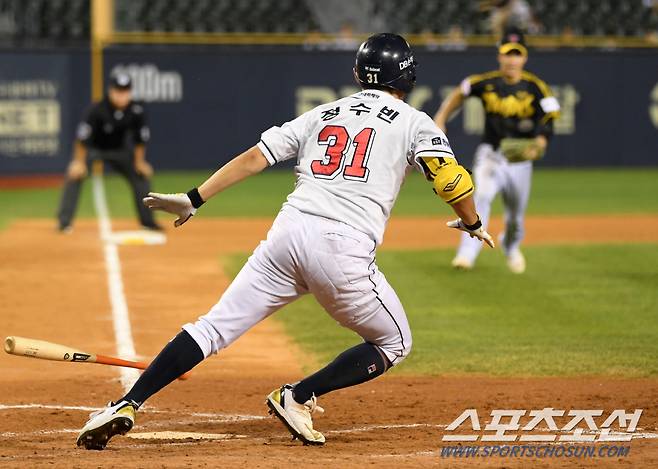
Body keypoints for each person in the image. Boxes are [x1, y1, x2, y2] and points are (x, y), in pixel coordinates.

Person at [76, 33, 494, 450]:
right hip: (342, 247)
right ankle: (298, 396)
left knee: (212, 328)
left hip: (287, 235)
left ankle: (127, 402)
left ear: (356, 74)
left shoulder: (324, 112)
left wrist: (194, 198)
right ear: (408, 76)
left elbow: (257, 157)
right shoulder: (414, 121)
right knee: (395, 341)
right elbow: (449, 179)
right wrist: (472, 222)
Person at [434, 28, 559, 273]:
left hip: (520, 159)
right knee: (481, 197)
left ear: (524, 58)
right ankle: (466, 255)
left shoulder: (536, 87)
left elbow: (551, 115)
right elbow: (462, 91)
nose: (512, 60)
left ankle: (511, 247)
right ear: (499, 56)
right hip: (490, 154)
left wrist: (542, 139)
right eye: (507, 54)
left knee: (515, 216)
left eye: (517, 54)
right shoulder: (486, 82)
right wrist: (441, 116)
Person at [57, 72, 160, 232]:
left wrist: (140, 162)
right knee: (75, 173)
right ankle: (64, 222)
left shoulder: (136, 111)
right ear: (111, 91)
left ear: (130, 92)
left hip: (120, 150)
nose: (121, 96)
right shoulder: (97, 109)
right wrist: (78, 162)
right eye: (118, 91)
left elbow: (140, 139)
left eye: (125, 91)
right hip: (94, 149)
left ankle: (147, 222)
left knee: (141, 176)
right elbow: (82, 138)